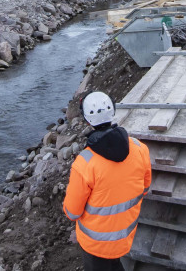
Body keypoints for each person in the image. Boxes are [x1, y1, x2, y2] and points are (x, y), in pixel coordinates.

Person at [62, 91, 151, 271]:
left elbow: (72, 212)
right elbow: (145, 187)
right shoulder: (139, 148)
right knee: (115, 264)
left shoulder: (85, 163)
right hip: (125, 236)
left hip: (95, 244)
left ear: (87, 120)